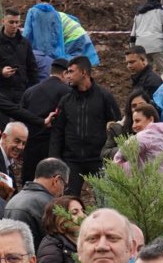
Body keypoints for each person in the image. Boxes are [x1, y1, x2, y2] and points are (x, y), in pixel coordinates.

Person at [50, 57, 121, 198]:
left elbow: (117, 127)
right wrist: (55, 158)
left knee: (105, 200)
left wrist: (114, 156)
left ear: (83, 72)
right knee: (67, 201)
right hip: (72, 161)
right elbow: (57, 131)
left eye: (71, 71)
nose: (67, 75)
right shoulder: (66, 100)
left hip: (98, 159)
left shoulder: (104, 97)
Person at [5, 158, 67, 243]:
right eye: (65, 185)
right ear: (56, 180)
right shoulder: (50, 205)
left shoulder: (13, 200)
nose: (63, 192)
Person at [129, 0, 163, 76]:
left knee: (145, 73)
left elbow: (132, 34)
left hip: (141, 47)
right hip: (157, 45)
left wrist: (132, 50)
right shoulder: (162, 10)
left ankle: (148, 89)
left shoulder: (139, 13)